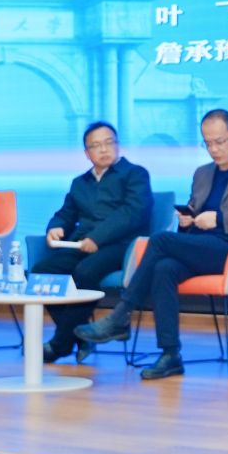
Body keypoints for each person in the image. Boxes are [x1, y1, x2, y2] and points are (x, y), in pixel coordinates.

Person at [75, 108, 228, 380]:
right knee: (164, 268)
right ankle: (170, 354)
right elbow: (195, 213)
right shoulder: (203, 173)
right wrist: (188, 220)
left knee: (160, 240)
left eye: (219, 142)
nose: (214, 149)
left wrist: (219, 218)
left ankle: (120, 315)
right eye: (207, 143)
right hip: (202, 246)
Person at [34, 122, 152, 364]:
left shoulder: (135, 174)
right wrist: (56, 226)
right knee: (40, 273)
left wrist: (98, 238)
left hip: (121, 246)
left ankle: (60, 344)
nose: (104, 149)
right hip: (82, 244)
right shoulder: (80, 183)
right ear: (87, 153)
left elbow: (132, 213)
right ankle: (80, 336)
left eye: (109, 143)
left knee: (85, 271)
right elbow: (66, 213)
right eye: (96, 146)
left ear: (118, 145)